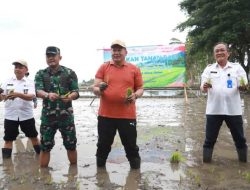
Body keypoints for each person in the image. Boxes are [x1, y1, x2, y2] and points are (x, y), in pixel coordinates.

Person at [92, 40, 144, 169]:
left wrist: (136, 95)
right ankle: (100, 174)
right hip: (106, 115)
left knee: (131, 146)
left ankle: (135, 175)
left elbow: (141, 88)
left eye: (119, 50)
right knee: (103, 145)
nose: (116, 53)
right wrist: (100, 89)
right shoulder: (104, 67)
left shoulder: (134, 69)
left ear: (125, 52)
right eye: (114, 50)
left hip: (127, 116)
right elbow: (95, 88)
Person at [200, 42, 248, 163]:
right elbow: (202, 88)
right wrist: (204, 87)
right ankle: (206, 165)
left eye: (222, 50)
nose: (219, 52)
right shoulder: (209, 69)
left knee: (240, 139)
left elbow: (244, 85)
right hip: (213, 110)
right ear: (214, 54)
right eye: (217, 51)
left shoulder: (237, 68)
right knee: (209, 140)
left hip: (234, 110)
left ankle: (243, 164)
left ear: (228, 53)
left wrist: (243, 87)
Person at [35, 46, 79, 167]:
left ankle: (73, 175)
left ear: (60, 57)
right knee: (45, 147)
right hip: (48, 117)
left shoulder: (69, 73)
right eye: (48, 56)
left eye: (53, 55)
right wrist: (47, 95)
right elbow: (38, 91)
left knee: (71, 145)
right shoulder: (41, 74)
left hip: (66, 117)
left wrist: (70, 96)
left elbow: (76, 91)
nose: (51, 58)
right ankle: (43, 176)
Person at [0, 60, 40, 158]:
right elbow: (2, 98)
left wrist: (17, 94)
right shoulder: (7, 81)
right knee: (8, 139)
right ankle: (7, 165)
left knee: (33, 137)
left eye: (20, 67)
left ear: (26, 69)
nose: (17, 69)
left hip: (26, 116)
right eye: (16, 67)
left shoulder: (30, 82)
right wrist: (2, 96)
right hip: (10, 116)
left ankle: (41, 156)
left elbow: (31, 96)